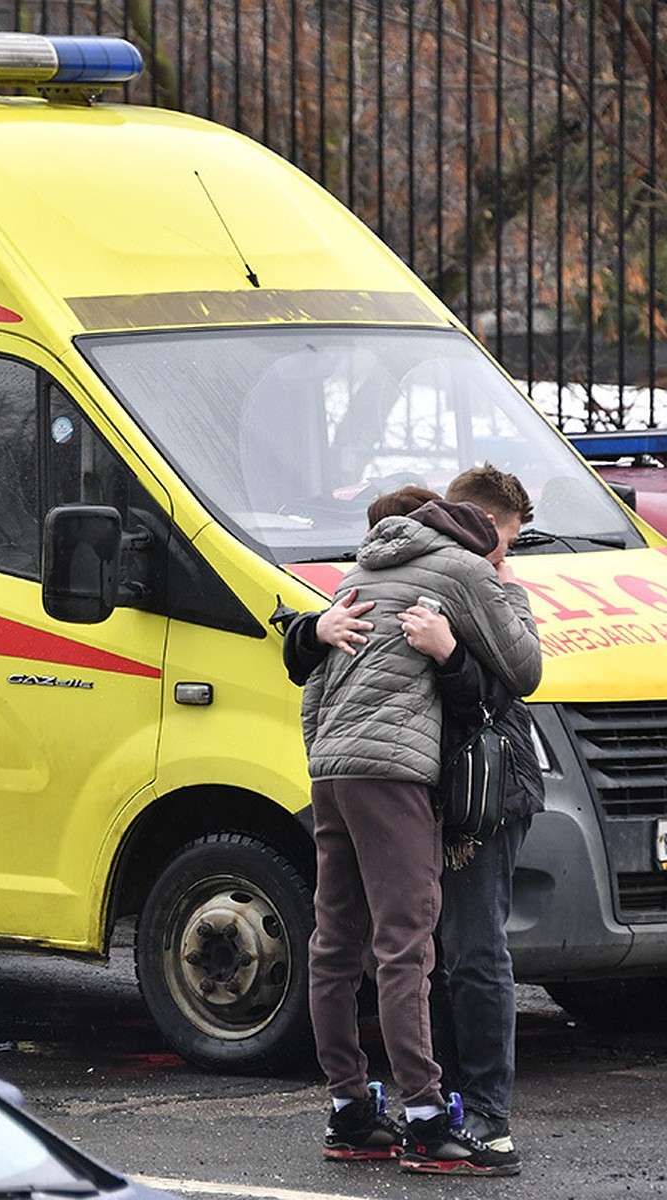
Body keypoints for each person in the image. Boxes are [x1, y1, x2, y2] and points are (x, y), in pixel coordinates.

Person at [290, 479, 541, 1175]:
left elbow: (313, 684)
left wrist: (326, 754)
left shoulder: (361, 572)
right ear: (484, 530)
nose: (508, 550)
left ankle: (350, 1114)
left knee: (336, 945)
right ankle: (430, 1122)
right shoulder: (461, 572)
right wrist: (502, 590)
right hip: (398, 776)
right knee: (410, 947)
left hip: (332, 770)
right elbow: (524, 669)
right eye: (509, 538)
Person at [402, 466, 545, 1174]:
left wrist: (452, 654)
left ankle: (487, 1113)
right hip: (428, 784)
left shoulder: (496, 591)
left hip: (486, 788)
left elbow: (505, 689)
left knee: (474, 948)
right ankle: (445, 1103)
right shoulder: (441, 571)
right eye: (503, 542)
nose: (504, 560)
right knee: (430, 952)